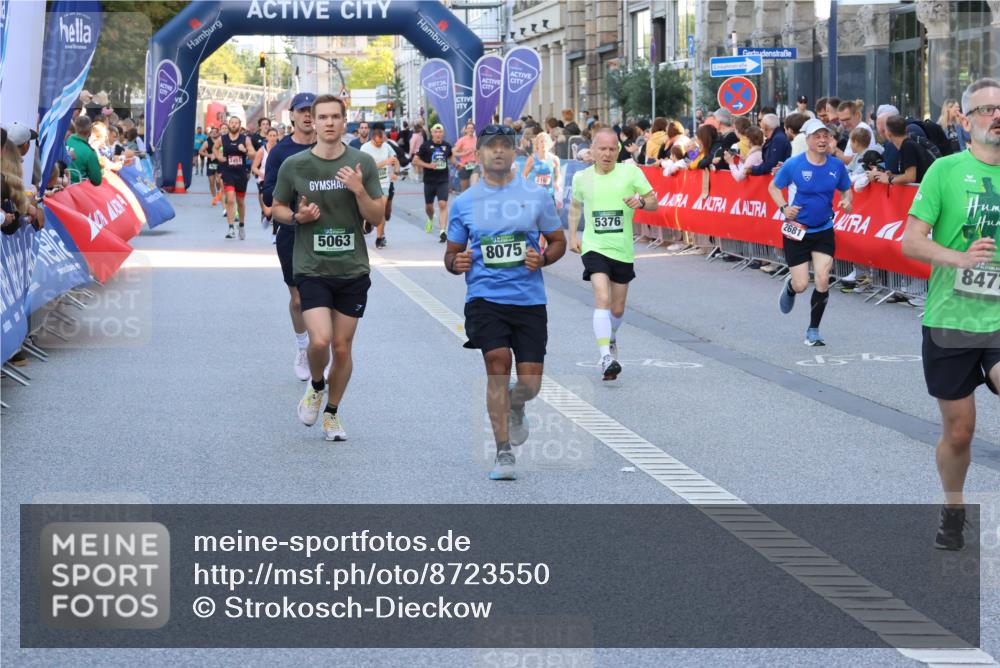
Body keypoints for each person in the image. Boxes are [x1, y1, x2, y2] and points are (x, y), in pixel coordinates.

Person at [901, 77, 1000, 551]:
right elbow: (911, 242)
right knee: (960, 432)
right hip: (951, 319)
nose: (996, 117)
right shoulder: (944, 171)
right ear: (965, 120)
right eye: (986, 110)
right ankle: (954, 506)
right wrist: (959, 258)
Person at [444, 123, 567, 480]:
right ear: (479, 154)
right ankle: (503, 452)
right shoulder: (465, 203)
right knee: (497, 363)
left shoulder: (536, 196)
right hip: (485, 298)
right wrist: (456, 263)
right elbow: (451, 255)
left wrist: (543, 258)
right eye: (491, 145)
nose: (498, 150)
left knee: (530, 384)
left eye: (504, 145)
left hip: (528, 300)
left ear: (514, 152)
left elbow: (558, 241)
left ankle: (517, 404)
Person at [271, 94, 385, 442]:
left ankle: (332, 414)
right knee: (320, 341)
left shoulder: (362, 162)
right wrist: (297, 217)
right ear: (313, 122)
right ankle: (317, 384)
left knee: (343, 347)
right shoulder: (295, 165)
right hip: (312, 267)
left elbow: (377, 215)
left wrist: (358, 191)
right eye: (323, 117)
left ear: (344, 121)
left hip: (352, 269)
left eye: (335, 116)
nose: (329, 122)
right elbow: (276, 208)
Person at [567, 127, 658, 380]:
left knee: (617, 308)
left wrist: (641, 202)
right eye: (602, 149)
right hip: (594, 247)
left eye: (611, 149)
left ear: (618, 151)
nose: (607, 154)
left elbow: (653, 202)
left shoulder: (630, 172)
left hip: (622, 249)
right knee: (602, 297)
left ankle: (612, 336)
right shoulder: (582, 177)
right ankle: (606, 356)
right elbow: (575, 206)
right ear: (593, 150)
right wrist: (572, 236)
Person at [769, 118, 853, 346]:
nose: (822, 140)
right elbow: (773, 187)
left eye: (826, 136)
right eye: (817, 136)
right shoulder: (794, 164)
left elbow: (846, 190)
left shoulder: (836, 166)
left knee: (823, 279)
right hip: (797, 230)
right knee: (801, 285)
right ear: (807, 140)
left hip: (824, 229)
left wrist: (847, 201)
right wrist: (784, 207)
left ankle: (813, 330)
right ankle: (791, 287)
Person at [262, 92, 317, 382]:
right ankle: (303, 347)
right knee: (298, 300)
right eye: (302, 110)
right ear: (292, 115)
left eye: (312, 110)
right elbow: (269, 194)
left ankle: (320, 349)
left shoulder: (330, 147)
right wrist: (294, 207)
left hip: (325, 232)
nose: (307, 115)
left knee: (324, 296)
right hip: (293, 231)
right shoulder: (280, 151)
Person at [214, 116, 255, 239]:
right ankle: (231, 228)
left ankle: (241, 225)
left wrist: (245, 150)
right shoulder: (222, 138)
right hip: (228, 172)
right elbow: (215, 147)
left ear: (239, 125)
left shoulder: (245, 139)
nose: (233, 125)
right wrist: (219, 157)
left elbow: (253, 154)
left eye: (236, 123)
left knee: (240, 202)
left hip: (241, 173)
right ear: (229, 124)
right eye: (231, 122)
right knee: (230, 199)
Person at [360, 122, 398, 248]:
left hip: (384, 183)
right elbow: (367, 168)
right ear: (372, 139)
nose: (380, 145)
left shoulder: (386, 146)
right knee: (372, 209)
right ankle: (369, 221)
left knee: (381, 209)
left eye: (381, 142)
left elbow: (395, 159)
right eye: (378, 143)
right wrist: (384, 162)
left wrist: (395, 171)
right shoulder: (365, 148)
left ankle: (379, 237)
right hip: (370, 183)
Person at [413, 123, 453, 242]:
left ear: (443, 133)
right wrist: (428, 165)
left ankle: (443, 231)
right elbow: (415, 161)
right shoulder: (425, 146)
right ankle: (430, 219)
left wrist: (458, 164)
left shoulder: (447, 146)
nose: (438, 134)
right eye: (436, 132)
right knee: (429, 207)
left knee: (443, 204)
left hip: (443, 180)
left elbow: (451, 158)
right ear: (432, 133)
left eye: (440, 132)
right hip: (429, 181)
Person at [870, 115, 934, 186]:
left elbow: (910, 177)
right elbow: (911, 176)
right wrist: (892, 176)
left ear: (888, 133)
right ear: (906, 129)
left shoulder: (907, 146)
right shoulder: (907, 144)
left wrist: (889, 179)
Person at [252, 126, 279, 228]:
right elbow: (254, 167)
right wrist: (263, 174)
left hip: (277, 179)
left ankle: (275, 229)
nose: (272, 138)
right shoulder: (262, 150)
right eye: (270, 135)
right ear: (267, 137)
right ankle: (267, 216)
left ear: (277, 137)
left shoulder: (280, 149)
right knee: (268, 210)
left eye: (274, 135)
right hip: (264, 180)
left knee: (277, 203)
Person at [522, 132, 560, 204]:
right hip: (536, 196)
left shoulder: (555, 159)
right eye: (541, 141)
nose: (544, 143)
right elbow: (524, 175)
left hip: (549, 195)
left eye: (545, 141)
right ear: (537, 145)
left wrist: (557, 182)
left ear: (549, 144)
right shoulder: (532, 159)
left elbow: (558, 175)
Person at [65, 115, 102, 186]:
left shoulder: (66, 140)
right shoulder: (90, 153)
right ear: (90, 131)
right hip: (76, 188)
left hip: (60, 185)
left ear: (75, 127)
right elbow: (97, 181)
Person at [453, 121, 479, 192]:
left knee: (475, 189)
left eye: (472, 128)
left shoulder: (477, 139)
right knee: (464, 191)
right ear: (466, 130)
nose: (470, 130)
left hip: (475, 166)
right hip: (465, 166)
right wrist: (464, 154)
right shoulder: (462, 140)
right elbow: (453, 152)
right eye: (469, 128)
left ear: (474, 130)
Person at [200, 126, 222, 205]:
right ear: (210, 134)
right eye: (212, 132)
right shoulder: (207, 142)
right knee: (211, 182)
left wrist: (217, 155)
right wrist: (209, 155)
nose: (214, 133)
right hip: (211, 164)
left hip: (219, 163)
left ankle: (219, 193)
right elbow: (200, 151)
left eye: (215, 132)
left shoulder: (221, 141)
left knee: (218, 181)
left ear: (218, 133)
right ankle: (214, 197)